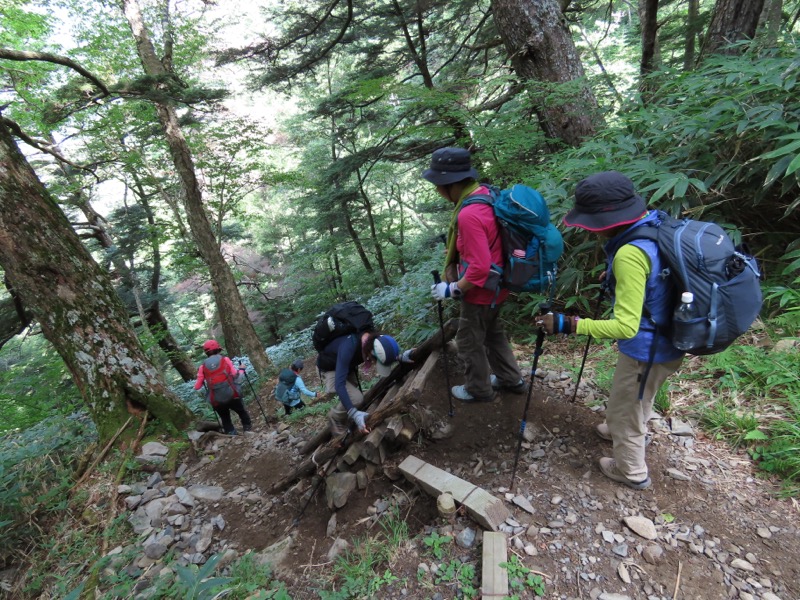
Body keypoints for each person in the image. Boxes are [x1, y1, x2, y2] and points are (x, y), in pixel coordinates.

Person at [537, 171, 684, 490]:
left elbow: (625, 327)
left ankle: (631, 470)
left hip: (648, 347)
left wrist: (567, 324)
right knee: (638, 396)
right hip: (670, 338)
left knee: (625, 407)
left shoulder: (630, 255)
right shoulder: (654, 224)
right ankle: (623, 428)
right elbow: (657, 274)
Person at [423, 146, 525, 403]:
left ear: (451, 184)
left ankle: (478, 389)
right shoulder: (486, 194)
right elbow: (487, 241)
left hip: (481, 291)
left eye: (438, 185)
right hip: (499, 285)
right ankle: (510, 379)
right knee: (493, 333)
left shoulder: (468, 214)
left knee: (469, 340)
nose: (437, 190)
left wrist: (451, 288)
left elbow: (479, 268)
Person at [317, 329, 412, 436]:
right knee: (355, 398)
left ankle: (347, 418)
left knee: (352, 398)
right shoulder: (348, 348)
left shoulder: (371, 341)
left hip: (345, 366)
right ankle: (335, 417)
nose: (374, 363)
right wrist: (354, 414)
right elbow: (339, 385)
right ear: (371, 353)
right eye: (375, 360)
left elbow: (384, 350)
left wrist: (399, 357)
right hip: (329, 369)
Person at [194, 339, 252, 435]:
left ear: (206, 352)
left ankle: (232, 434)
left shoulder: (202, 367)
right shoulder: (225, 360)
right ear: (218, 349)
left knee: (225, 418)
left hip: (216, 399)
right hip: (232, 394)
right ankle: (247, 429)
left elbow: (197, 387)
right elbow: (235, 375)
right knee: (241, 411)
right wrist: (241, 369)